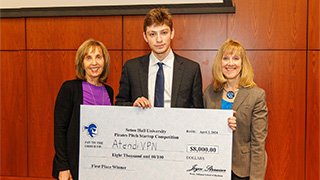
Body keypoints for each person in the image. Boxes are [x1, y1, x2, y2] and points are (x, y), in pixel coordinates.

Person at [203, 39, 268, 180]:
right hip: (211, 169)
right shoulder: (209, 92)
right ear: (219, 63)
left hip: (242, 172)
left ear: (242, 63)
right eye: (225, 58)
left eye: (236, 58)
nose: (230, 63)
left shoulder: (256, 95)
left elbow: (258, 144)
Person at [115, 8, 203, 108]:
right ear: (145, 37)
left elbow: (197, 112)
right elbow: (119, 104)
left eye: (164, 33)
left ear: (172, 33)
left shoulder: (191, 69)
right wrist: (133, 106)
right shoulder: (131, 68)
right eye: (152, 34)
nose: (159, 40)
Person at [52, 39, 114, 180]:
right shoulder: (70, 89)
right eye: (88, 58)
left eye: (98, 57)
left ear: (105, 62)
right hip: (74, 166)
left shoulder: (109, 91)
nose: (94, 63)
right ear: (82, 63)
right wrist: (63, 167)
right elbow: (60, 130)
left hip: (101, 165)